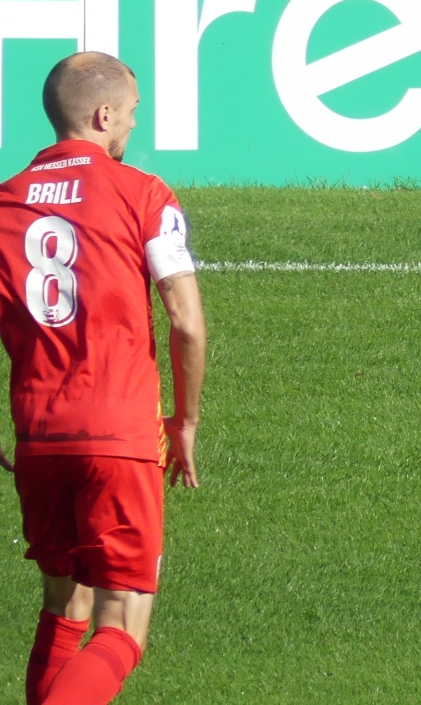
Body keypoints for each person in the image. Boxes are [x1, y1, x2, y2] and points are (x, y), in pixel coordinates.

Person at [0, 54, 205, 705]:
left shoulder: (5, 200)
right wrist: (185, 421)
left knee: (65, 607)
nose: (134, 125)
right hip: (119, 433)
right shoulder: (142, 193)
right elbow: (187, 321)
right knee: (122, 628)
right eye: (133, 112)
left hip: (39, 439)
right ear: (103, 113)